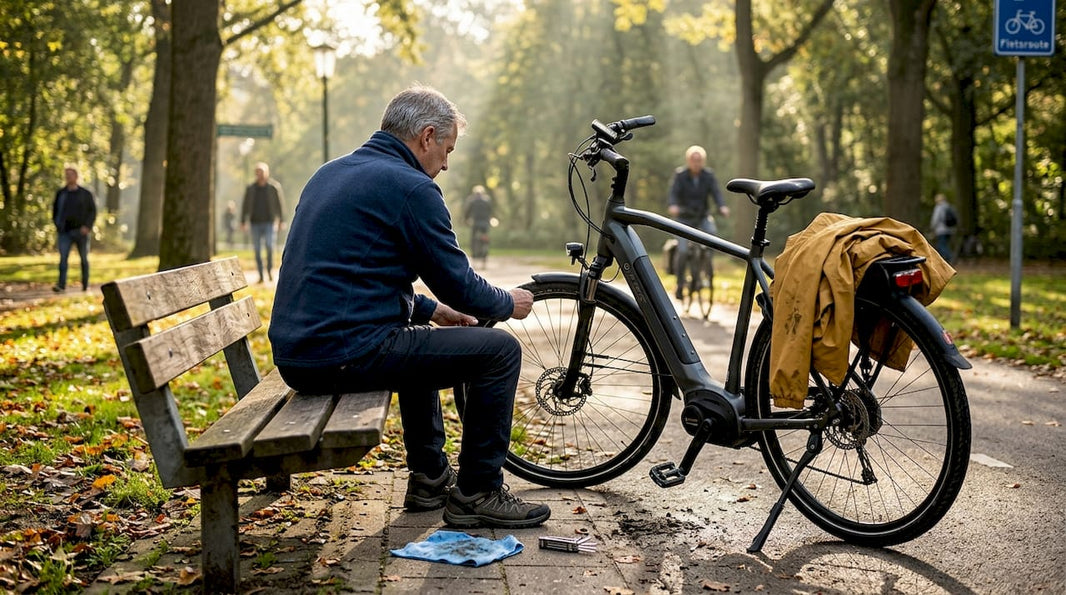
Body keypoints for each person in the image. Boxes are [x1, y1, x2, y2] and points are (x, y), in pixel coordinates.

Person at [268, 85, 550, 529]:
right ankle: (478, 490)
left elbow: (352, 275)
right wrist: (507, 302)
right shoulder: (411, 186)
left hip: (300, 353)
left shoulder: (331, 172)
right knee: (500, 352)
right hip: (339, 354)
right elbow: (460, 285)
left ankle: (431, 479)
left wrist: (428, 310)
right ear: (427, 136)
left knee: (417, 340)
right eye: (447, 150)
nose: (446, 164)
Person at [668, 145, 729, 299]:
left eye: (699, 160)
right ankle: (680, 283)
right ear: (688, 161)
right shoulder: (680, 175)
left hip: (702, 217)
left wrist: (721, 206)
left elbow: (716, 193)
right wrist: (673, 206)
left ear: (703, 161)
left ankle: (703, 270)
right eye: (694, 160)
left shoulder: (708, 176)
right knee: (682, 250)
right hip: (684, 218)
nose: (696, 163)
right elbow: (673, 193)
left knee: (712, 234)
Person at [52, 166, 96, 293]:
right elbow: (55, 211)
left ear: (76, 176)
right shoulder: (61, 193)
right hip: (64, 232)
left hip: (81, 232)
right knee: (63, 259)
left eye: (70, 175)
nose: (68, 177)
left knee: (83, 259)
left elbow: (92, 212)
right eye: (66, 175)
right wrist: (57, 225)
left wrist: (87, 227)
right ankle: (61, 285)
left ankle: (85, 284)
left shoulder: (86, 194)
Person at [240, 162, 285, 282]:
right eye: (258, 172)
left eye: (262, 172)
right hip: (255, 223)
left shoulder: (273, 187)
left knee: (270, 246)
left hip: (269, 222)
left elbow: (279, 205)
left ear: (266, 173)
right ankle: (260, 275)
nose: (259, 175)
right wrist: (243, 221)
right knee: (257, 250)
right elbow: (245, 205)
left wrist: (281, 220)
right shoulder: (251, 188)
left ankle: (269, 271)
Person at [462, 185, 493, 266]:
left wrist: (466, 219)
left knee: (473, 240)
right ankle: (484, 259)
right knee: (485, 240)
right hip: (485, 224)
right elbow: (491, 211)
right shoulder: (487, 200)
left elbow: (467, 212)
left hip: (475, 223)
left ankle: (474, 258)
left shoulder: (472, 201)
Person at [930, 193, 957, 264]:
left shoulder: (939, 207)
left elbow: (935, 219)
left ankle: (949, 258)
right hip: (950, 230)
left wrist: (932, 228)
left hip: (941, 230)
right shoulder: (948, 206)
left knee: (941, 245)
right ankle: (947, 259)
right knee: (945, 244)